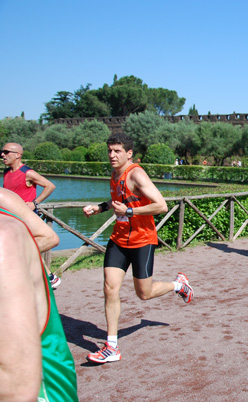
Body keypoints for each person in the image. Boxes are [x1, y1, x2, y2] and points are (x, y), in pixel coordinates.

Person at [82, 133, 194, 364]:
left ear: (129, 153)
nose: (112, 155)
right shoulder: (114, 174)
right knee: (110, 288)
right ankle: (111, 346)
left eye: (117, 151)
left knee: (144, 293)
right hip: (119, 239)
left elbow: (161, 205)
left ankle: (179, 285)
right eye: (109, 150)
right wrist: (101, 207)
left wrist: (130, 212)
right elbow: (120, 201)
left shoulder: (136, 174)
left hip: (142, 240)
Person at [0, 194, 78, 401]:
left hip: (44, 388)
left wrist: (21, 254)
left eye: (6, 156)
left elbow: (15, 388)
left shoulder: (4, 233)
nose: (3, 158)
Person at [2, 142, 61, 289]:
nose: (2, 155)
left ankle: (46, 278)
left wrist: (35, 203)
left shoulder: (27, 172)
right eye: (1, 152)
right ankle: (50, 278)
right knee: (27, 247)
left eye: (6, 152)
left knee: (22, 247)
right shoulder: (6, 173)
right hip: (11, 218)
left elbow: (50, 185)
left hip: (27, 218)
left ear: (18, 155)